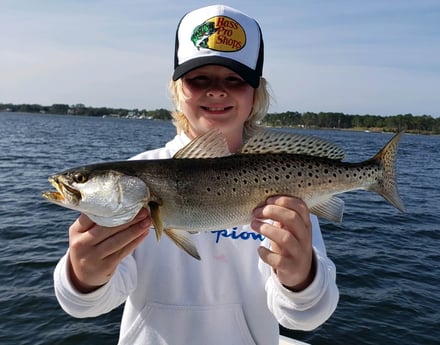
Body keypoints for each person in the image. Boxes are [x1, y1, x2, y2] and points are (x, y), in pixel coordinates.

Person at [54, 5, 339, 345]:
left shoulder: (288, 183)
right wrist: (83, 273)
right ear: (177, 88)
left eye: (234, 80)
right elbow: (84, 306)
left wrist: (301, 277)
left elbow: (307, 316)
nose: (216, 90)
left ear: (256, 94)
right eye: (198, 78)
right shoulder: (139, 174)